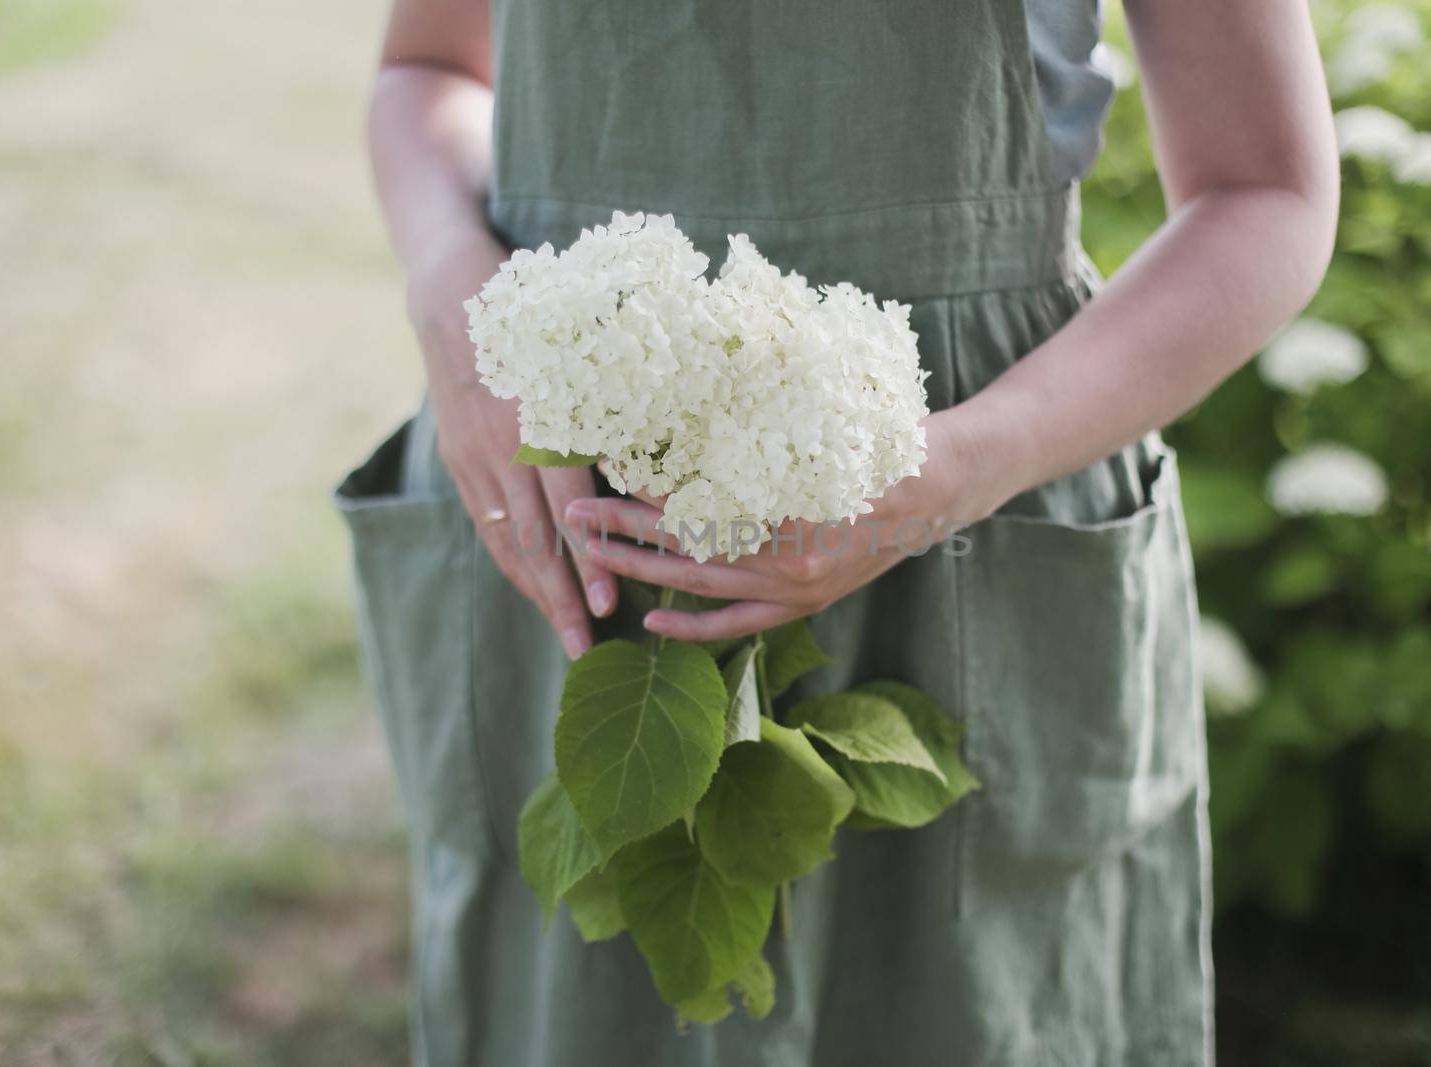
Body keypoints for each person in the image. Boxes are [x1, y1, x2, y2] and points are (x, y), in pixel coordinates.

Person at [338, 1, 1338, 1063]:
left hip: (967, 523)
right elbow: (428, 69)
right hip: (567, 501)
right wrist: (454, 295)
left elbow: (1264, 188)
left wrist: (954, 467)